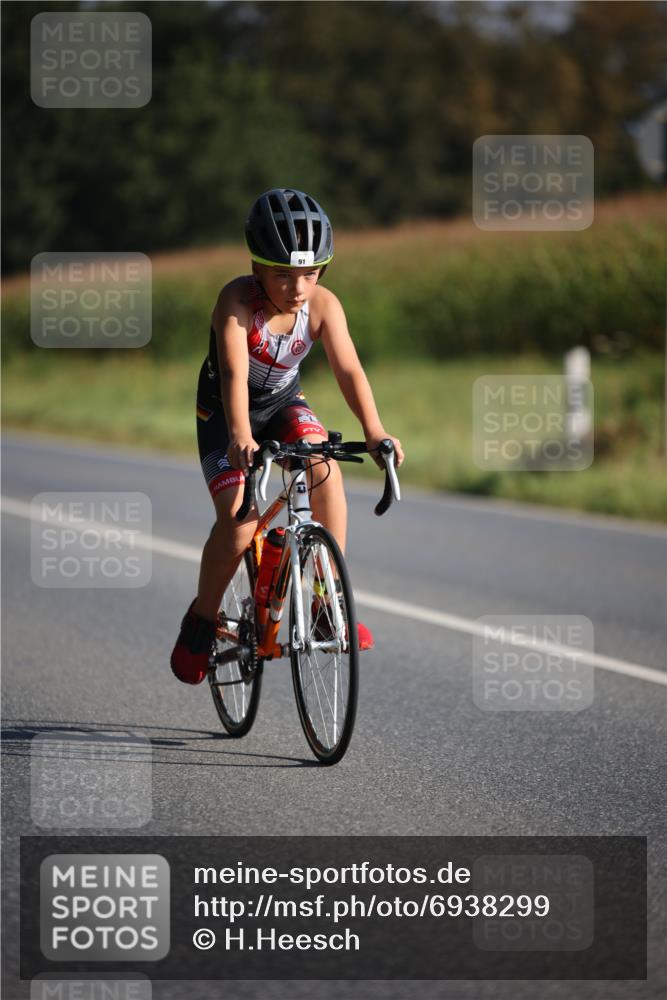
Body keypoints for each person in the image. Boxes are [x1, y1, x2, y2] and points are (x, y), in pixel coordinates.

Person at [170, 188, 404, 684]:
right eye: (282, 274)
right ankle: (201, 622)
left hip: (281, 404)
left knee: (326, 471)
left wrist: (376, 431)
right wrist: (238, 435)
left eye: (310, 273)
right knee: (239, 524)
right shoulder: (235, 301)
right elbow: (234, 375)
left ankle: (326, 601)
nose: (298, 287)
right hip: (225, 414)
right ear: (256, 268)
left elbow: (350, 371)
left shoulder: (322, 305)